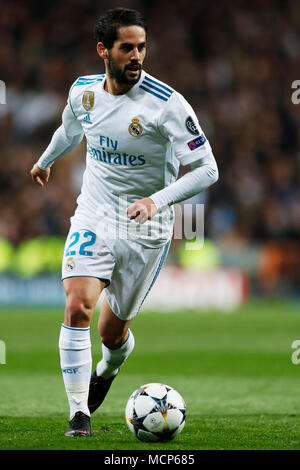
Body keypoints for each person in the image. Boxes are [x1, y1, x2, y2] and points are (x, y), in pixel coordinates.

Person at [30, 7, 218, 437]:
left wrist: (156, 200)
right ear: (104, 51)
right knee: (77, 307)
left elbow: (208, 168)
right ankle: (80, 414)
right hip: (95, 213)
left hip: (147, 228)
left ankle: (109, 367)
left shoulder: (167, 104)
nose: (137, 56)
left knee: (112, 334)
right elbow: (71, 130)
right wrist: (45, 161)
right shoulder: (83, 93)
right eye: (127, 47)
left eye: (142, 47)